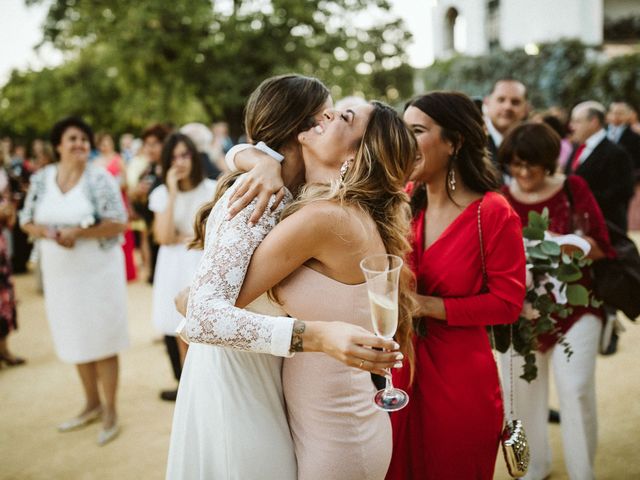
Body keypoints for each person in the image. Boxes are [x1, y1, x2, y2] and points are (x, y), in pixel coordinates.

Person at [167, 74, 411, 479]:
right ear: (301, 127)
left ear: (353, 156)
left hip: (314, 412)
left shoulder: (319, 211)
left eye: (341, 117)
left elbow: (195, 307)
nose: (328, 119)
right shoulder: (266, 194)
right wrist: (255, 159)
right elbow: (202, 313)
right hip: (247, 385)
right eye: (326, 114)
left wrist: (189, 296)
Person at [386, 92, 526, 480]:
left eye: (416, 131)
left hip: (460, 381)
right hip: (401, 376)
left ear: (454, 141)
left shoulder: (493, 212)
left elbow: (508, 303)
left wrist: (428, 306)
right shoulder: (404, 202)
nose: (404, 141)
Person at [499, 122, 614, 480]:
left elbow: (601, 247)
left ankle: (583, 473)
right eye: (514, 164)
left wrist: (559, 243)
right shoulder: (500, 198)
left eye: (530, 163)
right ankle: (535, 468)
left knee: (575, 390)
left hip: (576, 309)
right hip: (520, 315)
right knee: (522, 398)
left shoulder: (573, 189)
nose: (522, 171)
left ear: (547, 161)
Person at [20, 116, 129, 446]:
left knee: (102, 339)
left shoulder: (100, 178)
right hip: (61, 275)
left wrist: (79, 233)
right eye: (73, 139)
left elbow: (119, 223)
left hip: (97, 272)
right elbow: (26, 220)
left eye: (84, 139)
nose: (80, 144)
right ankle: (91, 403)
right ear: (58, 145)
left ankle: (111, 410)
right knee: (76, 338)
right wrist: (48, 232)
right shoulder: (41, 179)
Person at [149, 133, 216, 401]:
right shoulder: (162, 194)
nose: (180, 162)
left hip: (201, 262)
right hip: (173, 265)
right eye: (174, 157)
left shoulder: (211, 189)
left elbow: (211, 234)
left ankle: (207, 388)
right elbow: (163, 237)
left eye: (185, 155)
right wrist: (172, 193)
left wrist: (185, 238)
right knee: (177, 326)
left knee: (204, 326)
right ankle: (187, 388)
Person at [566, 101, 634, 355]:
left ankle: (611, 329)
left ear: (594, 122)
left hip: (607, 227)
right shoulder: (577, 149)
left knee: (608, 280)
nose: (572, 126)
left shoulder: (615, 152)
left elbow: (623, 190)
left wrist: (587, 202)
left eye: (578, 120)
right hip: (579, 229)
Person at [130, 123, 172, 283]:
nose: (149, 149)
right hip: (152, 232)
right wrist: (137, 194)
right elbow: (140, 207)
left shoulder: (172, 169)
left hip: (167, 234)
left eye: (154, 144)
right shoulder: (148, 170)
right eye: (147, 145)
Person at [95, 132, 137, 282]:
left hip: (119, 199)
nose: (105, 145)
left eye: (107, 142)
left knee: (124, 235)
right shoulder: (96, 162)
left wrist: (114, 185)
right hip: (102, 205)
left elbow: (126, 182)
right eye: (102, 142)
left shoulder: (118, 159)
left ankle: (127, 271)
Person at [0, 156, 22, 367]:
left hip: (0, 246)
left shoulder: (5, 173)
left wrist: (8, 211)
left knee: (4, 298)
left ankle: (4, 349)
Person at [483, 78, 529, 166]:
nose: (507, 107)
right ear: (487, 102)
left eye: (515, 102)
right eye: (501, 100)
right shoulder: (474, 142)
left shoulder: (533, 143)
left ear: (526, 108)